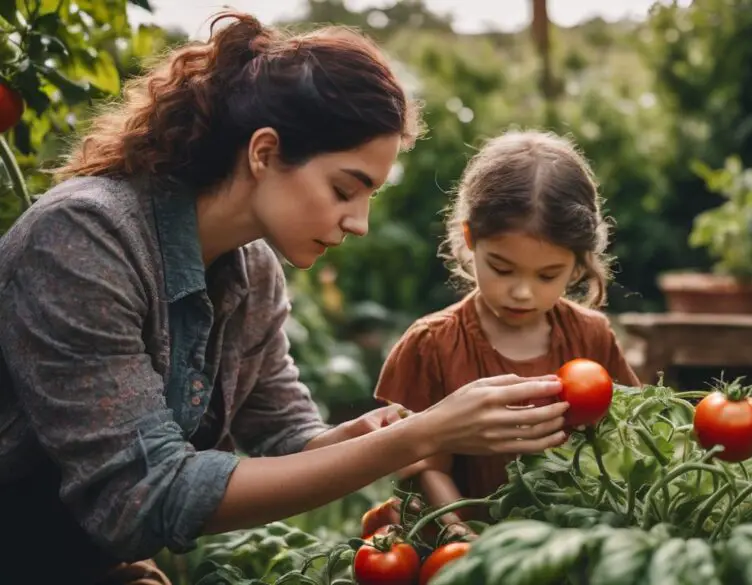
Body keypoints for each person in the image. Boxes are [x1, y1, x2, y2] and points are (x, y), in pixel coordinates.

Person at [0, 12, 570, 583]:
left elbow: (281, 427)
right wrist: (419, 437)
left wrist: (349, 440)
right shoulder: (84, 238)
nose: (360, 223)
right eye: (345, 189)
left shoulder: (250, 269)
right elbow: (144, 499)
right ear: (265, 153)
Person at [373, 130, 642, 534]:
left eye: (548, 275)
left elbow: (626, 442)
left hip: (569, 546)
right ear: (470, 239)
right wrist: (462, 537)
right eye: (501, 267)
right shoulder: (432, 345)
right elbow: (420, 465)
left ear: (578, 263)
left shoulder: (592, 338)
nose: (521, 291)